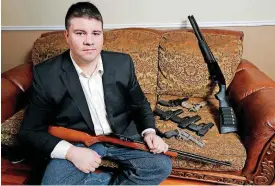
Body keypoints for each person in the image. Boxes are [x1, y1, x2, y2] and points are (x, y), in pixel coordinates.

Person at [19, 1, 172, 185]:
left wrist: (149, 132)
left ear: (102, 36)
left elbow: (140, 105)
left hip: (121, 137)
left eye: (95, 33)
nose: (89, 41)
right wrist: (71, 152)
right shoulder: (46, 74)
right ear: (67, 36)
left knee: (161, 166)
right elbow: (30, 131)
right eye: (80, 33)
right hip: (79, 142)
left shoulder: (122, 63)